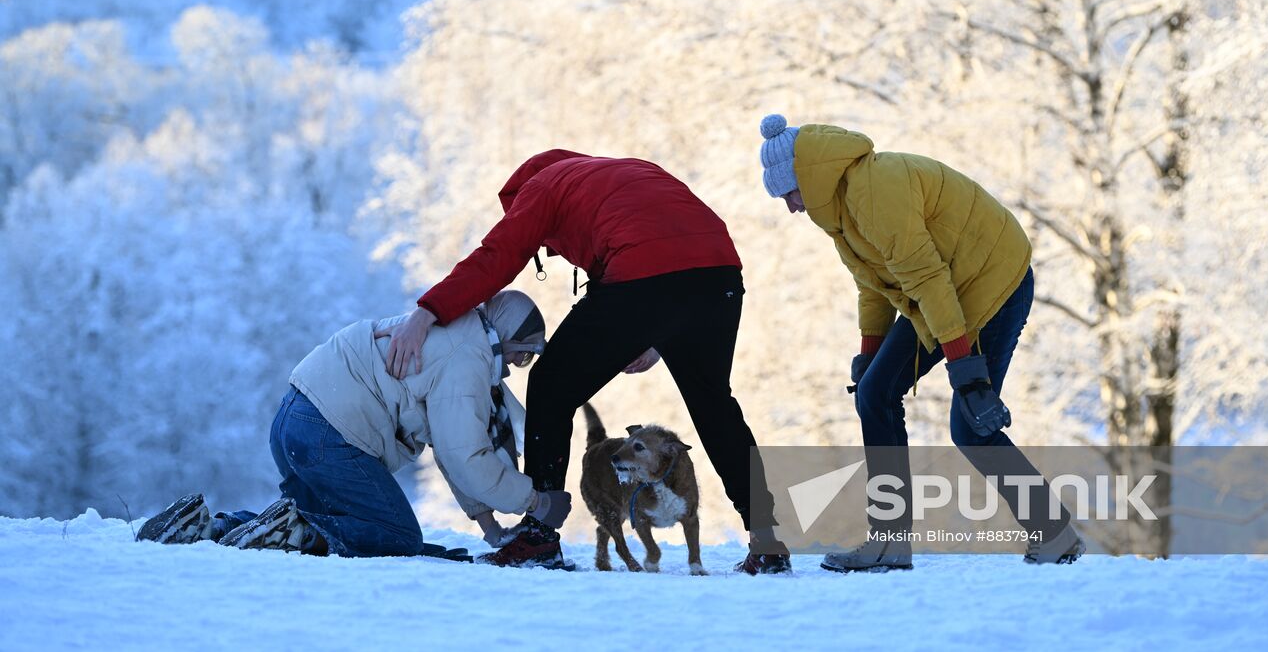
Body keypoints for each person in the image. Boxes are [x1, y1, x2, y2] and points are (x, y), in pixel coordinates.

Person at [384, 149, 788, 574]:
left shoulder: (541, 186)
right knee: (714, 404)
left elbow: (496, 257)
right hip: (719, 272)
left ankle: (539, 534)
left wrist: (427, 313)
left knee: (550, 387)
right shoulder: (627, 171)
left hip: (643, 273)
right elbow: (669, 242)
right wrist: (659, 337)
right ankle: (767, 538)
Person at [756, 114, 1084, 570]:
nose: (790, 207)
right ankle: (890, 540)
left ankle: (1053, 531)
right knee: (874, 394)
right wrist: (869, 357)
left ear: (806, 180)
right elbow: (872, 287)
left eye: (788, 194)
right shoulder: (839, 213)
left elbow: (929, 279)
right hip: (941, 290)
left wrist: (965, 370)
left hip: (992, 281)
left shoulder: (876, 190)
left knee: (970, 425)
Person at [137, 290, 569, 562]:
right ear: (505, 336)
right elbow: (465, 455)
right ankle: (291, 526)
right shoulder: (468, 357)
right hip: (330, 434)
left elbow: (450, 446)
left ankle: (208, 526)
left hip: (294, 418)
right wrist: (533, 502)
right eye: (522, 354)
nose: (515, 368)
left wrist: (489, 526)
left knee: (316, 518)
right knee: (396, 536)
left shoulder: (455, 335)